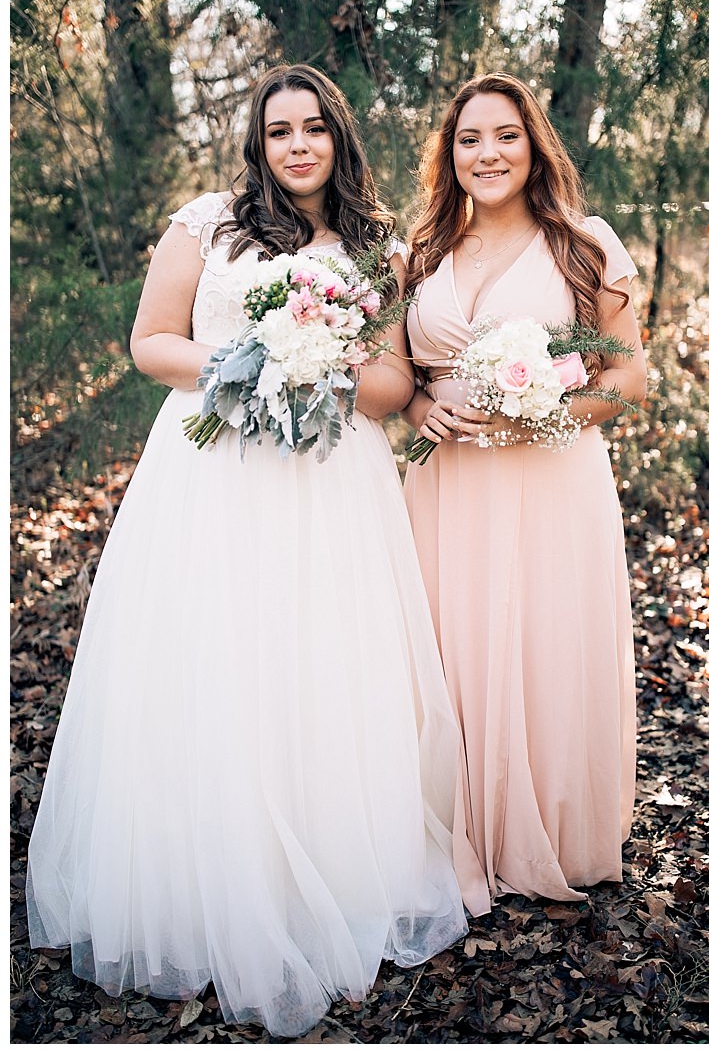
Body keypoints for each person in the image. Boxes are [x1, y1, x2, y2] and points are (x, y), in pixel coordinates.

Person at [26, 64, 466, 1036]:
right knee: (214, 663)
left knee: (320, 671)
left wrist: (334, 364)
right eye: (279, 132)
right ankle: (205, 888)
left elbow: (393, 386)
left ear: (339, 138)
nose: (297, 145)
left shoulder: (374, 245)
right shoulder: (206, 225)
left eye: (314, 128)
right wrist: (257, 361)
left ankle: (323, 873)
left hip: (332, 483)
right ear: (256, 144)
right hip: (213, 470)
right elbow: (151, 342)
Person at [401, 72, 647, 914]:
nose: (487, 154)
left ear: (533, 143)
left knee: (543, 639)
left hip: (550, 477)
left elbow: (630, 377)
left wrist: (538, 417)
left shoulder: (585, 244)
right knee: (448, 644)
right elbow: (397, 374)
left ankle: (542, 826)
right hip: (446, 484)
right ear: (450, 154)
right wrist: (420, 403)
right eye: (469, 139)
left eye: (505, 135)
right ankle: (453, 824)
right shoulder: (424, 251)